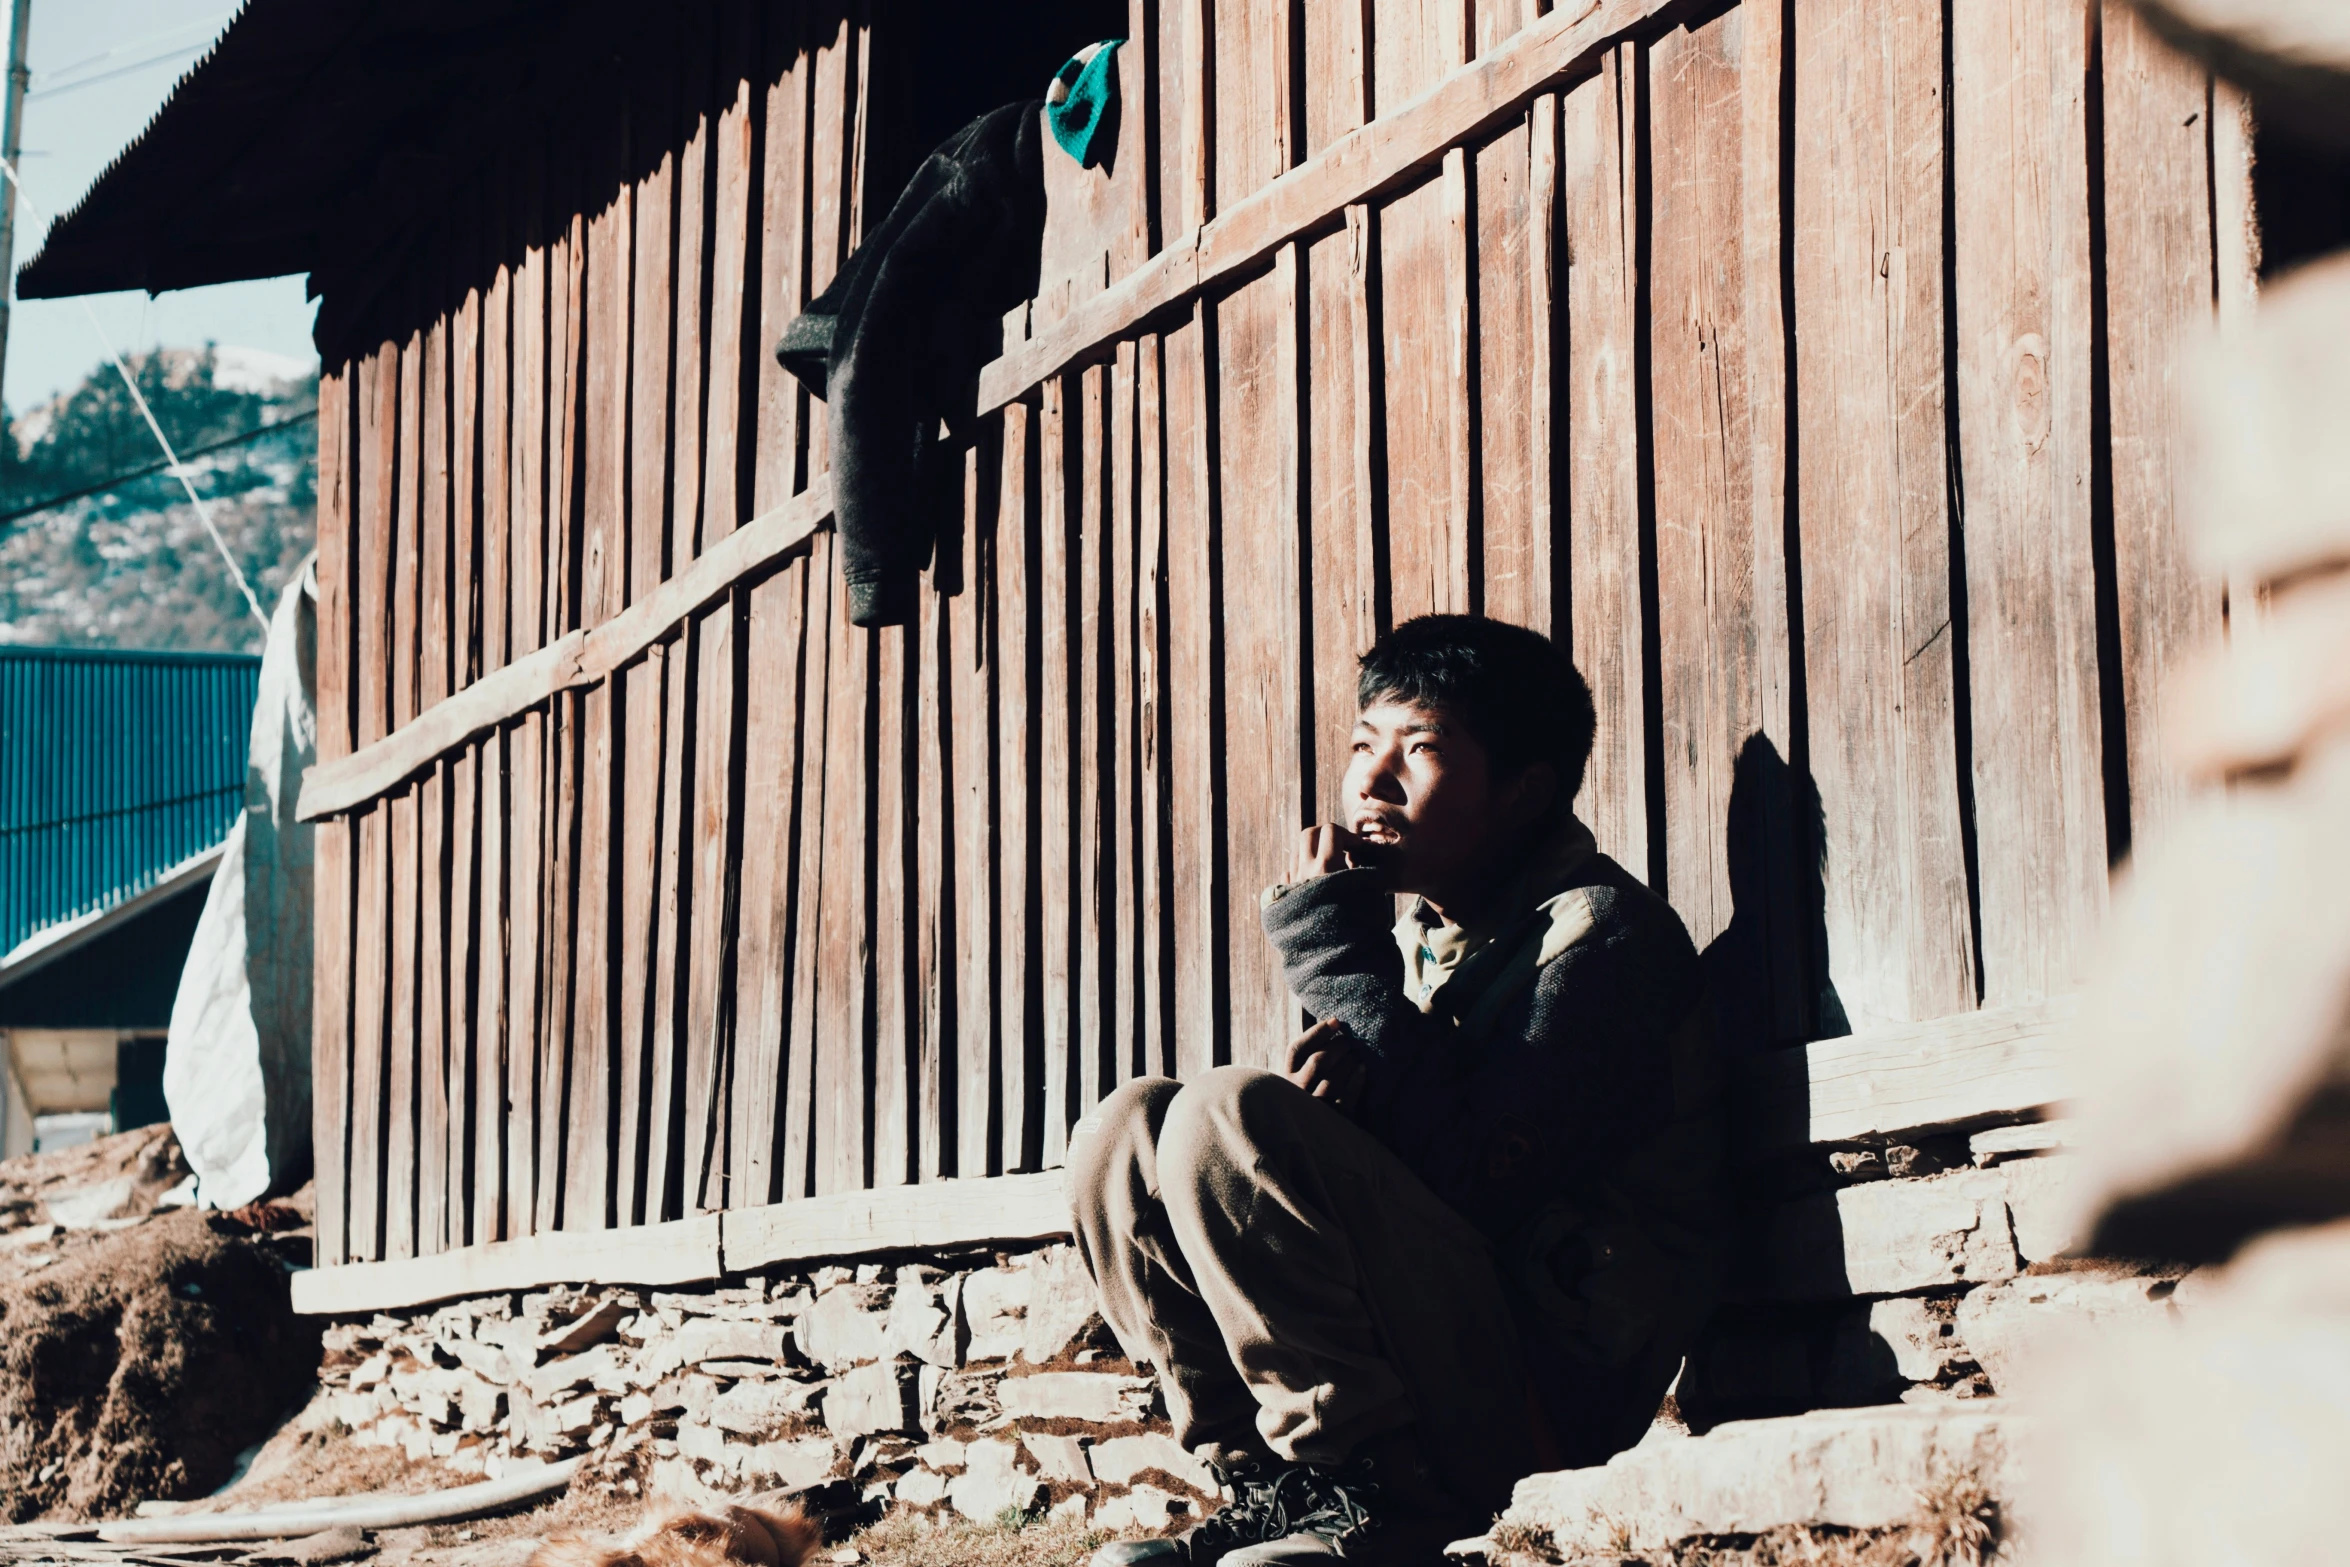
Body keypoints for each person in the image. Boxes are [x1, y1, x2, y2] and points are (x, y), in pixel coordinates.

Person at [1071, 614, 1727, 1566]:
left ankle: (1384, 1506)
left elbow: (1476, 1182)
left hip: (1544, 1406)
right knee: (1128, 1126)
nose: (1372, 783)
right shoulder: (1431, 939)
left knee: (1228, 1113)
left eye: (1419, 752)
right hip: (1448, 1352)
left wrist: (1333, 954)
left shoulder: (1602, 940)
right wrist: (1340, 1107)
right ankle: (1275, 1482)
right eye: (1361, 748)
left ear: (1522, 792)